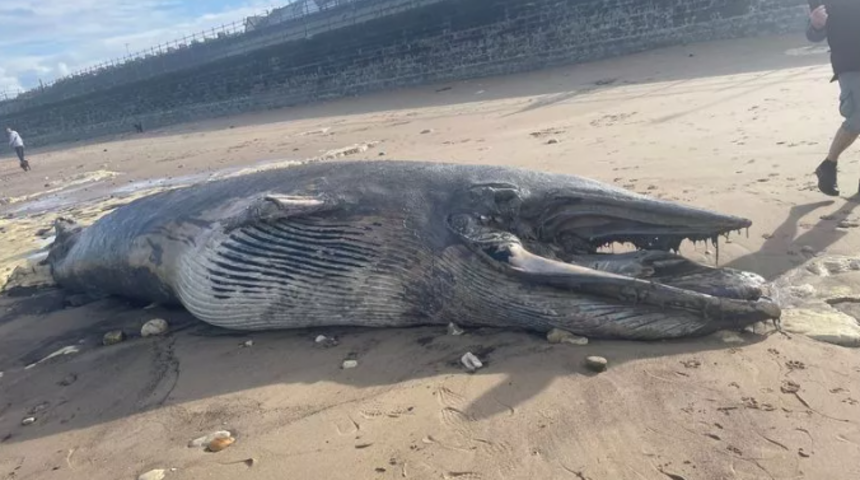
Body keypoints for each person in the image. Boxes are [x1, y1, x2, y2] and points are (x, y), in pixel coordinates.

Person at [807, 1, 860, 196]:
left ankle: (828, 168)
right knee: (857, 118)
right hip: (850, 63)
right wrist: (816, 24)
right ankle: (829, 164)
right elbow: (813, 34)